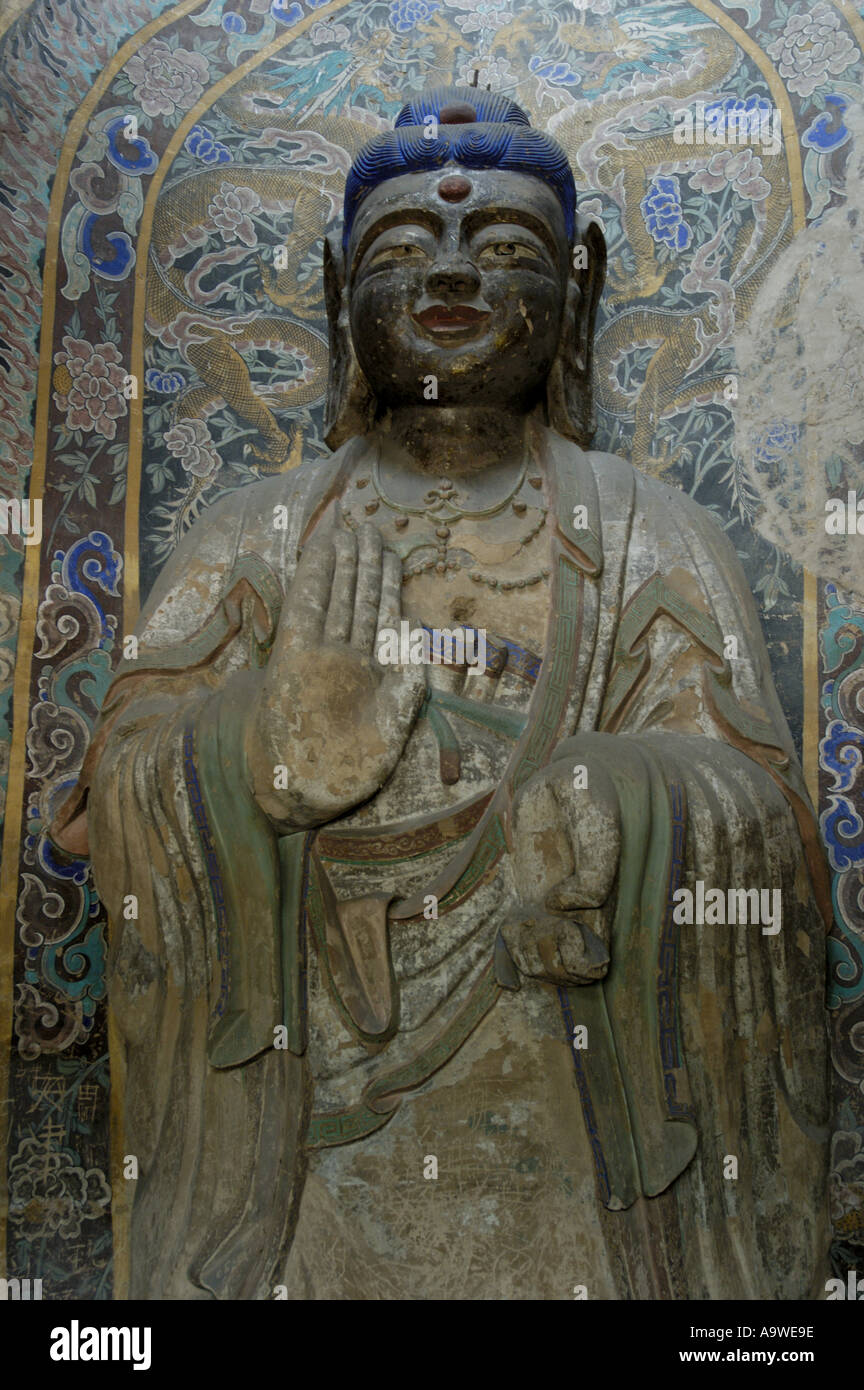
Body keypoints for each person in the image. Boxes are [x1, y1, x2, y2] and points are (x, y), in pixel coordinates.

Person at [53, 85, 831, 1300]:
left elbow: (772, 832)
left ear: (575, 290)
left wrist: (614, 804)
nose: (455, 276)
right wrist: (265, 752)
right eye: (405, 251)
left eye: (506, 249)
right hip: (302, 1128)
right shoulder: (257, 535)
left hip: (572, 1113)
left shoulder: (644, 535)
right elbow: (106, 818)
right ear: (334, 291)